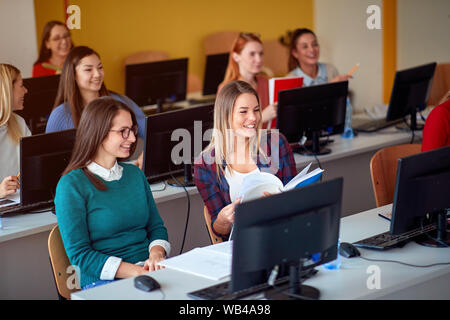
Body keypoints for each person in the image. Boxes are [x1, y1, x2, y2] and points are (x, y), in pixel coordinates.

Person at [54, 96, 170, 290]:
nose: (133, 138)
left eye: (132, 130)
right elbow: (80, 255)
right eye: (123, 132)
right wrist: (138, 271)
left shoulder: (135, 174)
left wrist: (156, 254)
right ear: (98, 134)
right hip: (102, 282)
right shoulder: (71, 185)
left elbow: (156, 227)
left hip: (149, 272)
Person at [194, 81, 297, 241]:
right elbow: (220, 232)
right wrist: (223, 219)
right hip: (243, 243)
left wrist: (280, 204)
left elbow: (297, 199)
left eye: (256, 110)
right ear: (226, 116)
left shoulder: (276, 143)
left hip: (284, 233)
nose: (253, 117)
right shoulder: (205, 164)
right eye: (243, 112)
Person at [45, 46, 146, 139]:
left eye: (100, 67)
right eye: (88, 70)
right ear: (73, 75)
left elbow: (147, 131)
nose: (97, 74)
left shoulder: (121, 102)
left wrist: (144, 154)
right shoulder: (60, 115)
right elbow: (49, 156)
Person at [218, 33, 277, 129]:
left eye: (261, 54)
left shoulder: (266, 82)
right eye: (252, 54)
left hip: (268, 139)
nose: (258, 60)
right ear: (236, 57)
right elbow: (226, 128)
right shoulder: (226, 89)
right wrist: (261, 117)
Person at [0, 64, 31, 198]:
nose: (26, 90)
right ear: (8, 90)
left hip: (17, 202)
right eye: (21, 85)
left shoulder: (19, 122)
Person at [286, 28, 352, 85]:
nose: (312, 50)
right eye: (305, 47)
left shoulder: (331, 70)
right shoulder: (289, 80)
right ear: (295, 53)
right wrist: (330, 87)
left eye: (314, 44)